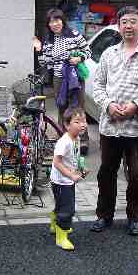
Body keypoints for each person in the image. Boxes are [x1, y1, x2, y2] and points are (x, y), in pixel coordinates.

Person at [91, 6, 138, 236]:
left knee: (135, 174)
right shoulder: (109, 53)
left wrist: (136, 106)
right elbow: (98, 86)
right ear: (119, 26)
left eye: (133, 22)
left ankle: (134, 217)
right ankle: (104, 215)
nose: (128, 26)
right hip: (110, 126)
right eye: (124, 22)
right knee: (106, 172)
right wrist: (108, 106)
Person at [33, 8, 91, 152]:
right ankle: (64, 139)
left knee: (77, 108)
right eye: (51, 21)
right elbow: (44, 63)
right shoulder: (49, 40)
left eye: (57, 20)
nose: (54, 24)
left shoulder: (74, 35)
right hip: (59, 78)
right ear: (48, 25)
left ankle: (82, 141)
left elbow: (88, 51)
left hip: (75, 77)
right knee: (62, 108)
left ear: (62, 21)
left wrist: (79, 58)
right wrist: (39, 50)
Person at [50, 107, 88, 251]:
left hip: (67, 180)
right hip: (61, 181)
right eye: (77, 121)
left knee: (61, 205)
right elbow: (57, 162)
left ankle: (55, 224)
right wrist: (71, 175)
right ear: (67, 125)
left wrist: (81, 168)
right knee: (68, 209)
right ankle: (61, 237)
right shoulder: (64, 142)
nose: (82, 124)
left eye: (84, 121)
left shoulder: (76, 139)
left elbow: (75, 156)